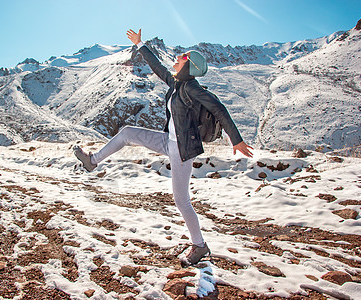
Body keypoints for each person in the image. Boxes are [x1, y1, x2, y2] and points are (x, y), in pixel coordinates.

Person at [74, 29, 253, 266]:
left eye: (183, 57)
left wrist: (236, 139)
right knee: (127, 132)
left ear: (189, 66)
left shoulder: (191, 88)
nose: (178, 57)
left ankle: (199, 246)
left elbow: (219, 109)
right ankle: (93, 161)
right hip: (166, 141)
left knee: (182, 201)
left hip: (181, 150)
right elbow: (157, 67)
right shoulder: (176, 83)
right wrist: (140, 45)